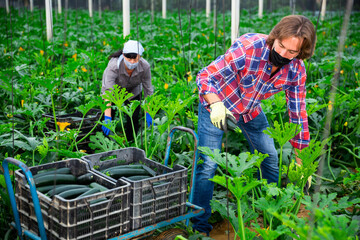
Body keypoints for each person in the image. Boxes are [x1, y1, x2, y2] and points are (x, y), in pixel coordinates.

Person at [192, 15, 316, 235]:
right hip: (219, 106)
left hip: (250, 111)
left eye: (291, 52)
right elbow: (205, 76)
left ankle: (269, 214)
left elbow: (298, 114)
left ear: (301, 53)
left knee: (270, 158)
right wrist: (216, 104)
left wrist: (301, 160)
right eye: (280, 46)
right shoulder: (249, 48)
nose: (282, 54)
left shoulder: (297, 70)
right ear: (275, 38)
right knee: (208, 165)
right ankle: (199, 228)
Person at [101, 40, 154, 141]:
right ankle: (107, 142)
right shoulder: (113, 66)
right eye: (129, 58)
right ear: (123, 55)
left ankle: (131, 141)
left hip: (133, 91)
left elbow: (148, 91)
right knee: (108, 114)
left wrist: (149, 113)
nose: (132, 62)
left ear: (140, 56)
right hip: (114, 91)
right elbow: (108, 92)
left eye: (135, 58)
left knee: (133, 117)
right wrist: (107, 117)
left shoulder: (145, 66)